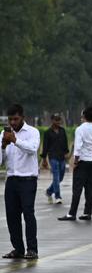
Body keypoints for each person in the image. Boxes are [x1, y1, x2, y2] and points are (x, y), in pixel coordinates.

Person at [2, 104, 40, 259]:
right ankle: (18, 249)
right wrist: (3, 146)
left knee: (28, 214)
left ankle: (32, 249)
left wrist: (15, 140)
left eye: (16, 119)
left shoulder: (33, 132)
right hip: (11, 180)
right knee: (12, 215)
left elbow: (32, 149)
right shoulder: (4, 134)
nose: (13, 122)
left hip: (28, 180)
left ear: (22, 117)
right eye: (10, 119)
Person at [60, 106, 92, 222]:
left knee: (77, 189)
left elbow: (78, 147)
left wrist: (75, 161)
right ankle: (87, 212)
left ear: (83, 116)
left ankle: (72, 213)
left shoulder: (80, 129)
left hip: (82, 161)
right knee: (89, 188)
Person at [41, 113, 68, 205]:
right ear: (52, 120)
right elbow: (45, 146)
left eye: (59, 120)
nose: (58, 122)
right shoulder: (47, 132)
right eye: (56, 120)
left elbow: (65, 142)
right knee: (56, 177)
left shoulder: (62, 131)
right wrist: (44, 159)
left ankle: (49, 191)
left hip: (62, 156)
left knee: (60, 178)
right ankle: (58, 196)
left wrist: (66, 153)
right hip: (53, 157)